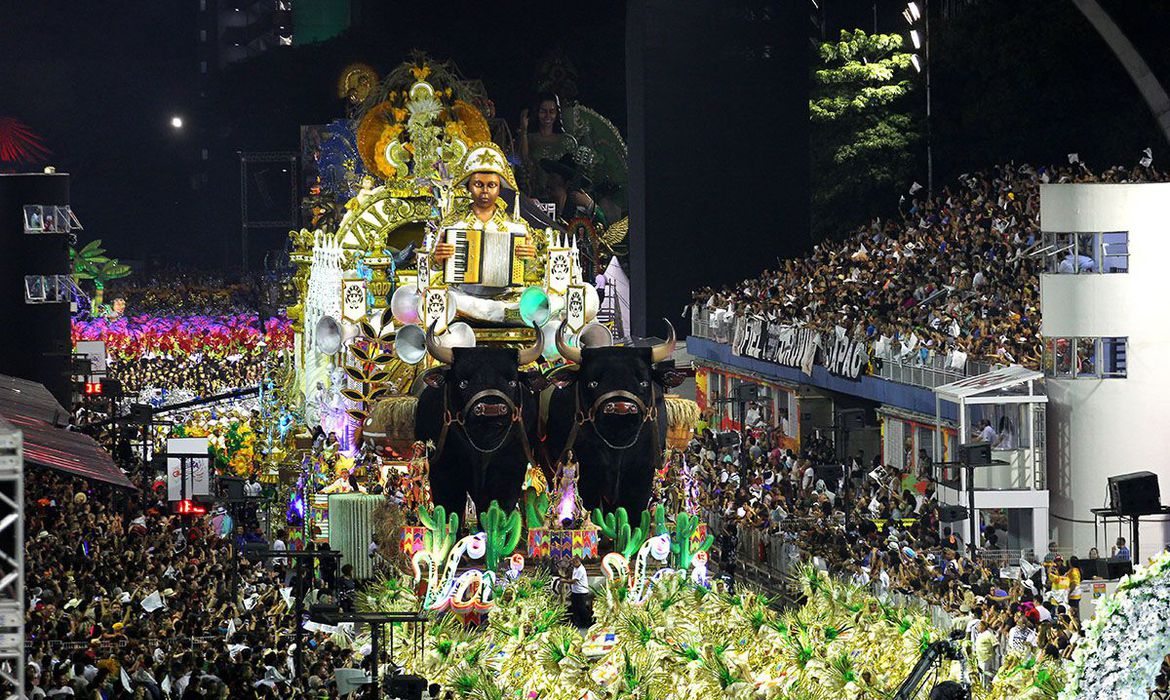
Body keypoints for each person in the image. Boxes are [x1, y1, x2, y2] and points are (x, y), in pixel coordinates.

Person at [430, 142, 540, 323]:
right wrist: (437, 258)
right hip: (463, 298)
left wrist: (530, 259)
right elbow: (432, 268)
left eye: (491, 185)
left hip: (504, 299)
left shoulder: (516, 226)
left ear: (499, 188)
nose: (485, 192)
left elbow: (531, 275)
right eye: (479, 184)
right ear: (469, 186)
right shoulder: (454, 224)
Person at [565, 555, 592, 627]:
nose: (572, 564)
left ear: (577, 561)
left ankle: (587, 623)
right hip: (575, 592)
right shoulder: (575, 567)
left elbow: (574, 581)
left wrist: (564, 581)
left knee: (582, 608)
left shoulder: (581, 569)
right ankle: (578, 623)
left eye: (573, 562)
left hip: (581, 592)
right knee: (575, 608)